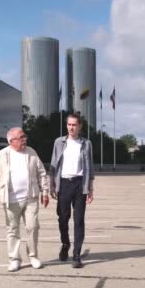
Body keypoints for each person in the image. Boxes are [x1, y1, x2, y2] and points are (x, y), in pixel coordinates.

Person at [0, 127, 49, 272]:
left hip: (31, 198)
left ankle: (33, 256)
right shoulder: (2, 155)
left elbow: (42, 173)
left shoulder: (31, 152)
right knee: (13, 230)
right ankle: (14, 259)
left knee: (33, 227)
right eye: (21, 138)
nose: (24, 140)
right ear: (11, 141)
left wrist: (45, 192)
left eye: (24, 136)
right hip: (11, 200)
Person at [50, 113, 94, 268]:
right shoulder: (59, 142)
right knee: (62, 218)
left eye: (74, 125)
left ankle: (76, 254)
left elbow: (90, 167)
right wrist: (52, 185)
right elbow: (53, 164)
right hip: (63, 184)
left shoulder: (86, 144)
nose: (71, 127)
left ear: (80, 126)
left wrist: (90, 188)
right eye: (69, 124)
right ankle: (65, 244)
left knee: (79, 220)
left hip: (79, 184)